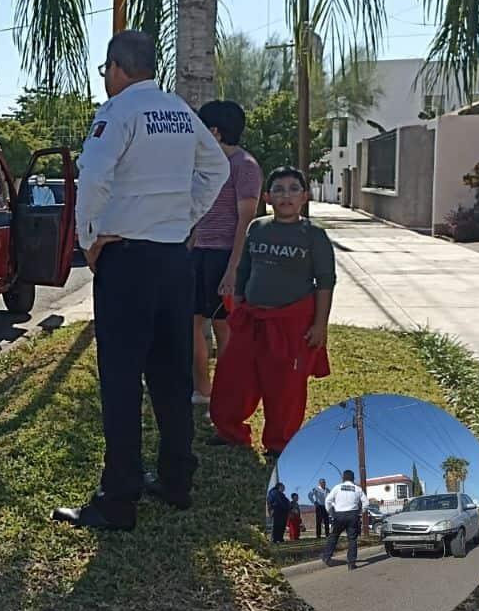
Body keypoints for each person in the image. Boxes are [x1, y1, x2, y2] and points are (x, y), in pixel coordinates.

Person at [50, 30, 230, 531]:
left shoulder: (119, 112)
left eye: (105, 71)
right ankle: (176, 481)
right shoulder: (178, 110)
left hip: (126, 262)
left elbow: (95, 176)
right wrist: (185, 217)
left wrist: (89, 238)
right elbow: (215, 168)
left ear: (116, 68)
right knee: (172, 377)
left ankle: (119, 497)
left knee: (123, 381)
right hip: (175, 261)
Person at [208, 166, 336, 459]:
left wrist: (320, 325)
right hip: (251, 318)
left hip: (290, 323)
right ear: (267, 196)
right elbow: (244, 270)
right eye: (278, 189)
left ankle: (279, 442)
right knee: (233, 376)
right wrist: (238, 304)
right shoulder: (258, 227)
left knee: (285, 387)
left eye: (293, 189)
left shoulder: (313, 235)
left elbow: (326, 281)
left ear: (305, 196)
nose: (285, 196)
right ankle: (230, 431)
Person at [190, 100, 262, 407]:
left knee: (224, 328)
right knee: (189, 324)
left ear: (215, 132)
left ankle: (229, 393)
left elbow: (246, 221)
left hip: (225, 256)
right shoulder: (207, 167)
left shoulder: (244, 166)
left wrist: (233, 270)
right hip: (198, 255)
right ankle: (203, 389)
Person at [322, 469, 366, 571]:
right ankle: (351, 563)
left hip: (339, 516)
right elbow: (366, 503)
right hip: (353, 515)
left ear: (343, 478)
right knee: (352, 539)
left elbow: (328, 501)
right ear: (353, 478)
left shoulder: (337, 487)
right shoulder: (357, 489)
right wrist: (359, 513)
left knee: (334, 536)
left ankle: (326, 557)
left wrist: (331, 513)